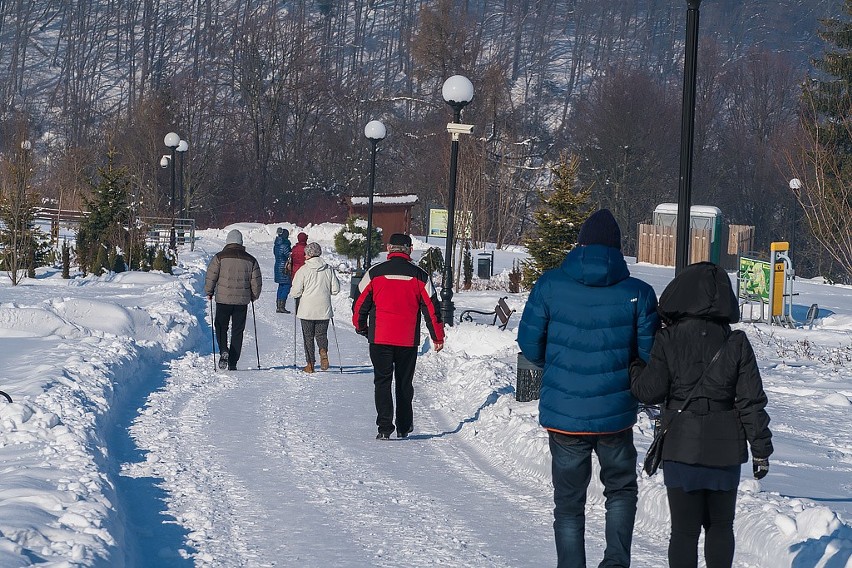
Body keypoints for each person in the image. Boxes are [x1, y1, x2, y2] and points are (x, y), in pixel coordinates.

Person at [516, 208, 659, 568]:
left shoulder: (550, 285)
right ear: (617, 248)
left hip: (564, 416)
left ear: (580, 244)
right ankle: (615, 563)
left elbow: (529, 344)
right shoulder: (638, 293)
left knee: (568, 504)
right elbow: (649, 355)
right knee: (621, 491)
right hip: (616, 416)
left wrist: (559, 367)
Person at [629, 262, 773, 568]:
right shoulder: (737, 343)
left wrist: (634, 367)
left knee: (683, 531)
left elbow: (648, 391)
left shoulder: (668, 338)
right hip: (725, 449)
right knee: (721, 527)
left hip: (681, 446)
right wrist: (761, 451)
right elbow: (751, 401)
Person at [353, 233, 444, 440]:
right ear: (409, 250)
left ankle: (385, 427)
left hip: (380, 337)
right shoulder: (420, 276)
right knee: (404, 383)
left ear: (388, 248)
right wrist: (437, 336)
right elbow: (431, 309)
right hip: (406, 339)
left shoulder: (374, 273)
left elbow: (359, 304)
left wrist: (360, 326)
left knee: (382, 381)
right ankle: (404, 426)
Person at [205, 229, 262, 371]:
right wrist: (254, 295)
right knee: (238, 331)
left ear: (227, 241)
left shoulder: (219, 257)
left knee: (221, 326)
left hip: (223, 299)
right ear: (241, 242)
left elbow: (211, 275)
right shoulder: (251, 259)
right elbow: (256, 281)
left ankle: (223, 349)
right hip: (241, 302)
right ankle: (233, 361)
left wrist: (209, 291)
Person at [291, 242, 340, 373]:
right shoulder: (328, 269)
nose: (304, 256)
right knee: (321, 334)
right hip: (323, 309)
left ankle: (310, 365)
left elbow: (295, 292)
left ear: (309, 254)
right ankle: (323, 351)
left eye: (305, 254)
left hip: (306, 310)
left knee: (308, 337)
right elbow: (336, 289)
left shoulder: (303, 270)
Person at [273, 227, 292, 313]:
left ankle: (278, 305)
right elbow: (288, 255)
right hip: (284, 267)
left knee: (281, 286)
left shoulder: (276, 244)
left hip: (277, 266)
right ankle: (282, 306)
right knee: (287, 286)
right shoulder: (285, 245)